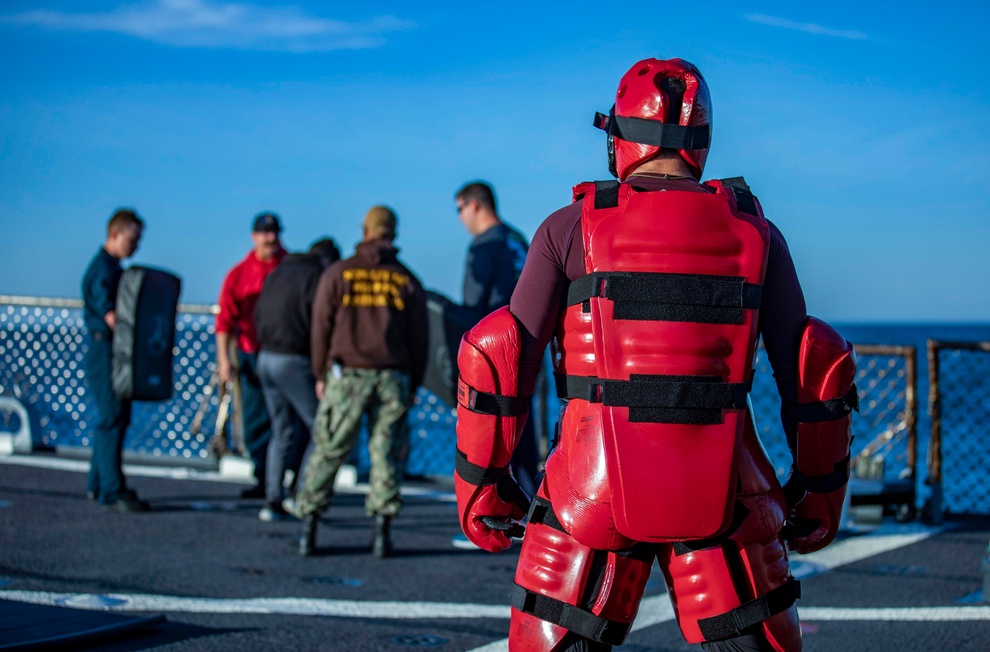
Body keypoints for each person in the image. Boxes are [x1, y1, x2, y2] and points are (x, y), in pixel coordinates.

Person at [452, 58, 857, 652]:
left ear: (619, 136)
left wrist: (484, 485)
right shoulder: (756, 232)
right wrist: (818, 491)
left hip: (586, 498)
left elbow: (499, 353)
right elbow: (813, 365)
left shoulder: (569, 228)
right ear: (703, 142)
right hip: (726, 497)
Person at [285, 206, 428, 559]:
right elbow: (420, 338)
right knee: (387, 455)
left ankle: (309, 528)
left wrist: (320, 373)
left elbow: (321, 328)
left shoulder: (338, 274)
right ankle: (381, 532)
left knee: (330, 448)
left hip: (346, 375)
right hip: (393, 377)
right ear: (393, 233)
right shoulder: (407, 279)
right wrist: (414, 384)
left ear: (365, 230)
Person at [452, 182, 539, 551]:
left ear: (474, 206)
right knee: (523, 441)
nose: (460, 219)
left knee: (490, 444)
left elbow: (473, 306)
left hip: (493, 356)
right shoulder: (518, 239)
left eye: (459, 210)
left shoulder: (484, 246)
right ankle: (539, 521)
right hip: (529, 350)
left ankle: (488, 518)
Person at [253, 237, 341, 522]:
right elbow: (321, 326)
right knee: (321, 428)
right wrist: (321, 371)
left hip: (265, 357)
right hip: (293, 360)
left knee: (282, 430)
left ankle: (272, 498)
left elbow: (257, 313)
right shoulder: (317, 278)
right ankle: (302, 495)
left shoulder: (279, 272)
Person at [215, 212, 287, 498]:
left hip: (283, 353)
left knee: (283, 418)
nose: (270, 239)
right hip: (251, 353)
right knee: (256, 418)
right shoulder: (240, 273)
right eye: (264, 233)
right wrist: (224, 360)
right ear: (254, 236)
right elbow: (224, 321)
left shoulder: (288, 268)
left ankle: (282, 477)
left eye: (274, 233)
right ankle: (263, 477)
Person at [81, 208, 149, 512]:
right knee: (112, 417)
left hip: (111, 351)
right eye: (132, 239)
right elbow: (111, 315)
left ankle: (99, 485)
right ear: (115, 234)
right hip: (105, 351)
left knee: (114, 417)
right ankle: (111, 489)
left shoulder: (112, 268)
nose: (135, 246)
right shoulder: (103, 271)